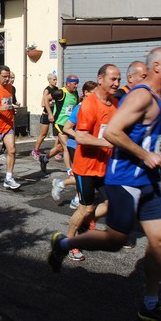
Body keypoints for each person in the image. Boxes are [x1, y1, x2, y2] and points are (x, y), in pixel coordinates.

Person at [47, 47, 161, 320]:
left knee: (160, 240)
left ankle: (150, 304)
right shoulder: (142, 96)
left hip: (148, 180)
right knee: (114, 240)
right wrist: (146, 154)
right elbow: (113, 132)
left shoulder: (153, 96)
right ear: (157, 66)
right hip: (124, 179)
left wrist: (154, 157)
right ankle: (63, 244)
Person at [64, 65, 120, 261]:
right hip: (86, 167)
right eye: (113, 79)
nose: (116, 83)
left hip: (105, 166)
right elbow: (80, 136)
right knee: (85, 208)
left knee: (113, 203)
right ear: (100, 79)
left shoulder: (114, 104)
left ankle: (88, 223)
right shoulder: (88, 104)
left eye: (118, 80)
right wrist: (107, 142)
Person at [52, 80, 97, 210]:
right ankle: (72, 193)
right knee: (84, 176)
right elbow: (67, 128)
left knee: (88, 176)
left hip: (90, 147)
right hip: (76, 146)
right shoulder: (80, 108)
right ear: (86, 93)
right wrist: (80, 137)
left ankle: (69, 190)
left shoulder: (95, 107)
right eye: (93, 94)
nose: (95, 97)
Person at [38, 75, 80, 174]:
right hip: (59, 123)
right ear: (68, 83)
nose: (77, 86)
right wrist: (50, 114)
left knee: (60, 147)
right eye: (75, 83)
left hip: (69, 125)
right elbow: (46, 99)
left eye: (77, 83)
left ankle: (44, 158)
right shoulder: (60, 92)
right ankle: (70, 170)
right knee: (67, 147)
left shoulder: (75, 93)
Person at [32, 73, 59, 160]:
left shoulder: (57, 89)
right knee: (43, 135)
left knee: (58, 135)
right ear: (49, 80)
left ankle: (55, 152)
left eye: (56, 79)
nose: (55, 81)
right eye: (54, 80)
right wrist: (51, 102)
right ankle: (35, 150)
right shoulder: (47, 90)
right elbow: (43, 103)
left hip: (54, 115)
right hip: (46, 115)